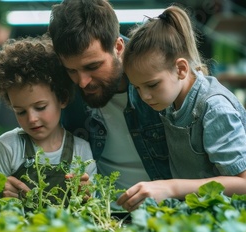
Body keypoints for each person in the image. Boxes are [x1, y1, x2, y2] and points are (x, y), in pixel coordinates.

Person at [117, 5, 246, 211]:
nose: (144, 96)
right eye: (137, 87)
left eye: (152, 85)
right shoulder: (171, 104)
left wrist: (172, 187)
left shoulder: (214, 107)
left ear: (181, 69)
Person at [46, 0, 172, 194]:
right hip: (102, 214)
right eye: (71, 70)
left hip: (167, 212)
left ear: (119, 47)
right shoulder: (63, 87)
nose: (82, 82)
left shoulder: (163, 78)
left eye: (92, 67)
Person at [0, 35, 97, 201]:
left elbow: (93, 208)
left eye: (40, 107)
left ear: (63, 99)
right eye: (20, 111)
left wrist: (87, 196)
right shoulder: (8, 146)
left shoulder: (81, 150)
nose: (31, 119)